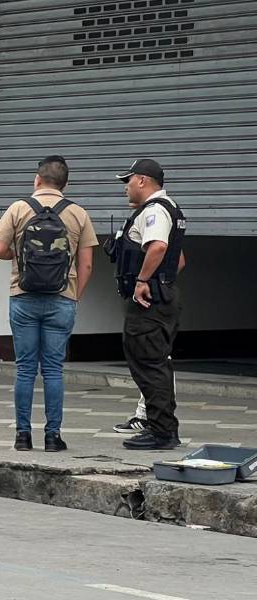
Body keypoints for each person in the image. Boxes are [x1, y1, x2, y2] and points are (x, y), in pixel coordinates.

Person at [0, 156, 97, 452]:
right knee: (53, 370)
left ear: (37, 180)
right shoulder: (78, 213)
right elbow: (87, 265)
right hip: (62, 299)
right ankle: (53, 437)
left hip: (23, 297)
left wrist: (19, 254)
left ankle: (22, 436)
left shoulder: (19, 208)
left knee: (25, 369)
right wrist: (74, 296)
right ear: (65, 184)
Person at [107, 159, 187, 450]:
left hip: (149, 303)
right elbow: (178, 260)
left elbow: (159, 247)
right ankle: (161, 427)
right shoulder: (168, 209)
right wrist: (162, 281)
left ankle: (162, 432)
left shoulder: (154, 211)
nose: (126, 187)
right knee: (155, 363)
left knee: (149, 364)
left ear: (142, 180)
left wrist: (144, 281)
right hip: (160, 298)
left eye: (128, 181)